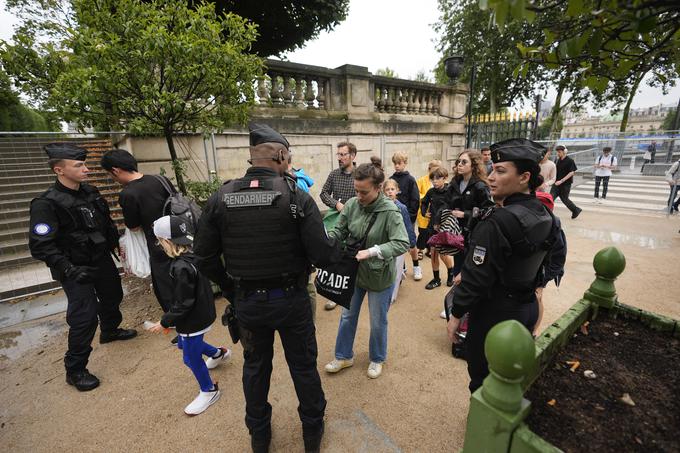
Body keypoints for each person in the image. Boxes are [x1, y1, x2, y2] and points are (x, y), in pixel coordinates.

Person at [193, 123, 342, 453]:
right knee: (303, 367)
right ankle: (312, 432)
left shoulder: (222, 197)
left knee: (256, 369)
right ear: (281, 155)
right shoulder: (296, 197)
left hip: (248, 304)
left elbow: (202, 256)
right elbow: (323, 255)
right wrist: (342, 244)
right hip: (291, 301)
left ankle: (259, 435)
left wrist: (232, 289)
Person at [446, 138, 557, 393]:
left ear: (524, 177)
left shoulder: (496, 221)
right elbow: (552, 258)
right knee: (510, 376)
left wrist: (455, 315)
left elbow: (476, 278)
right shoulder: (546, 213)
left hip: (495, 314)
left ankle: (485, 431)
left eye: (501, 171)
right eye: (493, 170)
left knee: (482, 380)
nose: (491, 177)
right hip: (526, 307)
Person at [29, 143, 137, 392]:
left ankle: (110, 330)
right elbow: (41, 246)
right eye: (79, 165)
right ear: (59, 170)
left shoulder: (90, 192)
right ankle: (75, 369)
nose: (86, 169)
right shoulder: (46, 204)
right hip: (74, 268)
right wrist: (68, 269)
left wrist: (117, 246)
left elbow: (105, 223)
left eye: (85, 164)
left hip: (100, 259)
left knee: (113, 296)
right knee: (84, 317)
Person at [324, 157, 409, 380]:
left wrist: (372, 251)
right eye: (356, 191)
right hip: (354, 271)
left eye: (364, 192)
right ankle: (343, 356)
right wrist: (327, 240)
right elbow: (339, 230)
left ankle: (377, 358)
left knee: (378, 320)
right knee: (347, 315)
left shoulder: (390, 211)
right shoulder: (352, 204)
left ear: (379, 188)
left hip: (379, 274)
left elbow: (402, 242)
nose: (358, 197)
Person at [147, 215, 231, 415]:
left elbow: (183, 302)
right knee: (185, 344)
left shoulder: (179, 267)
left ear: (166, 241)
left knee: (190, 358)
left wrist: (164, 321)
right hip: (202, 312)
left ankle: (209, 390)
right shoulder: (193, 256)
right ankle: (218, 353)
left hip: (192, 320)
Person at [101, 150, 177, 327]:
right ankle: (190, 307)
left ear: (115, 170)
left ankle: (173, 318)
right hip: (178, 233)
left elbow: (133, 226)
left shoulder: (128, 194)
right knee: (184, 272)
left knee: (164, 281)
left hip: (158, 242)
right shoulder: (160, 179)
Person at [438, 150, 493, 318]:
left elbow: (489, 210)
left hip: (474, 235)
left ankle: (469, 307)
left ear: (473, 165)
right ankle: (454, 303)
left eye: (464, 162)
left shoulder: (480, 186)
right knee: (458, 268)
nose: (459, 165)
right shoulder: (455, 182)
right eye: (458, 161)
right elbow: (445, 203)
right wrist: (442, 216)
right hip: (455, 233)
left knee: (471, 271)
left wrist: (466, 214)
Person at [319, 141, 358, 310]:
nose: (340, 158)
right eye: (339, 154)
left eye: (343, 154)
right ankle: (336, 293)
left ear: (353, 156)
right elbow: (323, 193)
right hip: (338, 220)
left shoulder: (360, 174)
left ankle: (357, 288)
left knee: (355, 253)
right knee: (337, 252)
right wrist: (336, 204)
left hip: (357, 220)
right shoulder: (334, 174)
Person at [383, 179, 417, 304]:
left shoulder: (402, 208)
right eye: (387, 189)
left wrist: (411, 242)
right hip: (386, 241)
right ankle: (399, 275)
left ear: (397, 191)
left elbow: (408, 225)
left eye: (392, 189)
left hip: (399, 241)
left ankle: (392, 296)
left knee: (396, 269)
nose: (390, 192)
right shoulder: (381, 205)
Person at [420, 166, 454, 290]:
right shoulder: (431, 192)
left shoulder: (450, 191)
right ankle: (436, 279)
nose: (434, 181)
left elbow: (449, 207)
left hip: (445, 227)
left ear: (445, 178)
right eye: (432, 179)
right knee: (434, 253)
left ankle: (451, 273)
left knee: (443, 254)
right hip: (432, 227)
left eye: (437, 179)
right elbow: (424, 202)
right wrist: (424, 212)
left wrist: (440, 220)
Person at [389, 152, 421, 280]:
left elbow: (415, 199)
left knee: (411, 244)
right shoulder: (391, 179)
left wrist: (411, 216)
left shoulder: (410, 179)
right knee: (397, 244)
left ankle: (416, 267)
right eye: (395, 163)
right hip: (394, 218)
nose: (397, 166)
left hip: (408, 217)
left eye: (399, 163)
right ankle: (402, 268)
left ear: (405, 163)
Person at [415, 160, 442, 272]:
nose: (435, 173)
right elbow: (417, 193)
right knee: (423, 232)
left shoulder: (441, 181)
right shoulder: (422, 180)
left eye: (437, 170)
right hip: (424, 211)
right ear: (429, 169)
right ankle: (420, 250)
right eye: (433, 170)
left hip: (435, 212)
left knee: (432, 232)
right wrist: (428, 197)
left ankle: (428, 250)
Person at [551, 145, 582, 219]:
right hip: (556, 183)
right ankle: (547, 214)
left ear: (564, 152)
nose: (558, 154)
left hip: (565, 184)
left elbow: (572, 172)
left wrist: (561, 181)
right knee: (550, 198)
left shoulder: (570, 161)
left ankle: (575, 210)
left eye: (559, 152)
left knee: (565, 199)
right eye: (557, 152)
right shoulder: (557, 160)